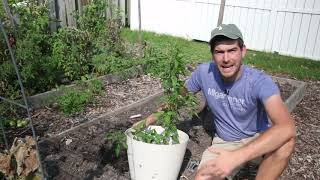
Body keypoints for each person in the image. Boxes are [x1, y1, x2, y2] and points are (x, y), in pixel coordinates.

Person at [136, 24, 296, 180]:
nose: (226, 58)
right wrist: (147, 121)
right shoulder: (204, 73)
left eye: (232, 50)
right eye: (219, 52)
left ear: (243, 51)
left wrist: (236, 157)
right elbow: (177, 100)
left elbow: (287, 127)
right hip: (225, 141)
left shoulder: (259, 82)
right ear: (212, 55)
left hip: (258, 138)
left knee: (286, 142)